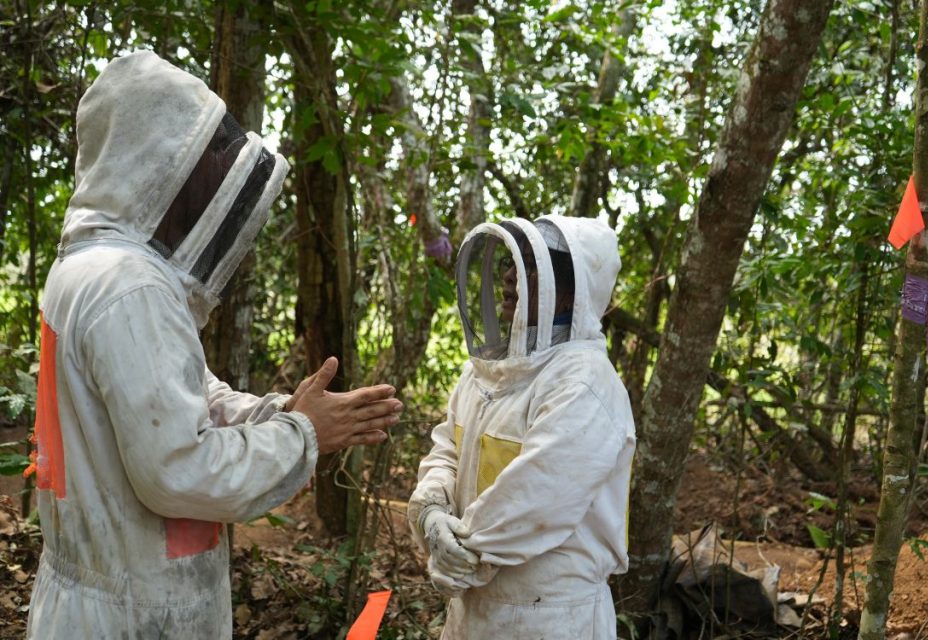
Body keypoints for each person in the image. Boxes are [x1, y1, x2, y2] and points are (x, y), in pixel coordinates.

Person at [25, 50, 403, 639]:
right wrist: (301, 436)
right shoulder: (131, 286)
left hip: (103, 599)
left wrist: (280, 413)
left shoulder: (91, 269)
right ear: (157, 156)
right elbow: (178, 470)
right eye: (207, 150)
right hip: (137, 615)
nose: (220, 166)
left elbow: (185, 398)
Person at [407, 215, 636, 639]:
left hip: (550, 618)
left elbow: (538, 495)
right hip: (473, 612)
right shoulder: (483, 374)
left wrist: (463, 554)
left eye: (533, 268)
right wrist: (431, 512)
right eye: (514, 263)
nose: (510, 277)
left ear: (569, 292)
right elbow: (445, 452)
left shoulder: (585, 384)